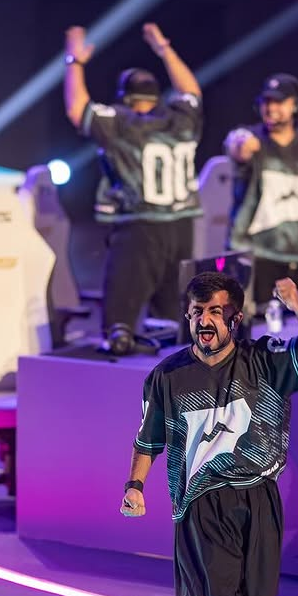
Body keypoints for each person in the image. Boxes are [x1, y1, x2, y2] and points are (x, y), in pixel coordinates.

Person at [121, 271, 298, 596]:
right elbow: (148, 440)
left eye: (216, 311)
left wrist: (296, 304)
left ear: (235, 319)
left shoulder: (263, 360)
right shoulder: (167, 376)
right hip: (202, 502)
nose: (205, 321)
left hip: (260, 495)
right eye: (197, 312)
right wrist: (135, 485)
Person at [64, 22, 202, 354]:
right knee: (174, 321)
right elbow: (192, 92)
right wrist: (164, 49)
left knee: (120, 323)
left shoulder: (120, 122)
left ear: (126, 97)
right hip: (181, 226)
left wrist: (75, 61)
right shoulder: (180, 120)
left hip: (139, 226)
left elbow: (76, 109)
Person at [224, 74, 298, 305]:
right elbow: (236, 145)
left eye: (279, 101)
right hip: (256, 257)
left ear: (296, 105)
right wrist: (240, 146)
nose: (271, 108)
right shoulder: (252, 139)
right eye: (267, 101)